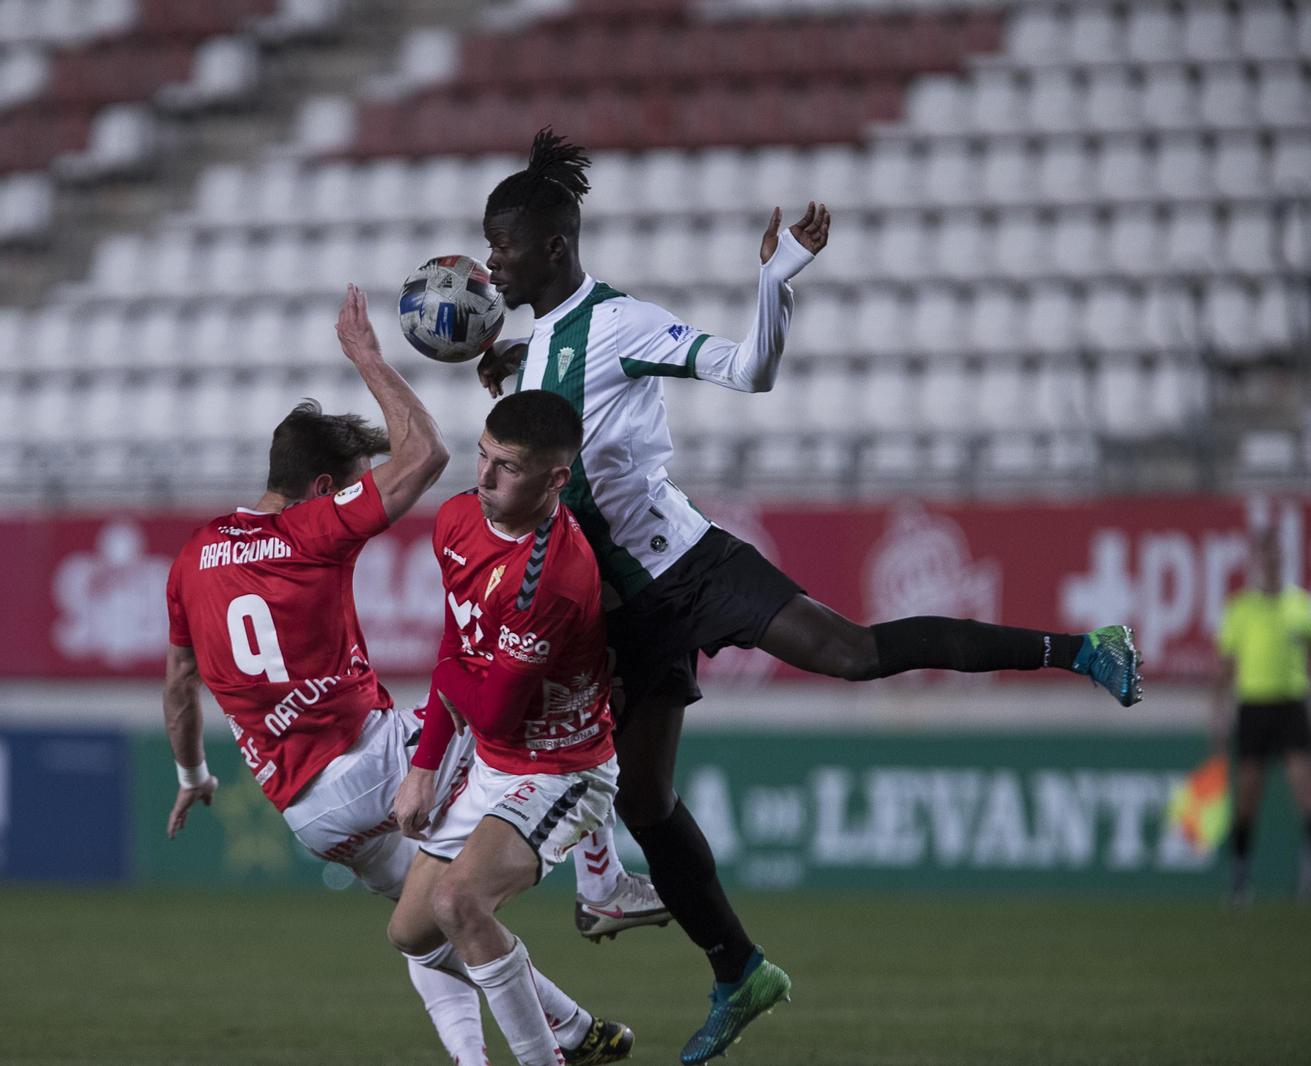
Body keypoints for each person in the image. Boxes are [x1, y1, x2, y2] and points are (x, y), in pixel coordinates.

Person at [472, 129, 1145, 1064]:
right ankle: (739, 970)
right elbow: (556, 424)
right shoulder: (542, 344)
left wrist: (775, 283)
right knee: (649, 797)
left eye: (501, 245)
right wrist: (509, 373)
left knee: (853, 653)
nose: (489, 261)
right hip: (623, 610)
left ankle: (1081, 649)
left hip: (687, 566)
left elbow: (752, 370)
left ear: (552, 246)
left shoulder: (617, 324)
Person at [162, 287, 635, 1065]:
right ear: (324, 491)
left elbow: (180, 684)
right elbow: (429, 457)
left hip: (304, 809)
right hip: (372, 754)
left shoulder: (191, 557)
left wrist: (191, 772)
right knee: (527, 732)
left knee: (426, 926)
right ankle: (603, 881)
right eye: (353, 480)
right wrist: (370, 361)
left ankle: (563, 1035)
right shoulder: (309, 529)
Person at [389, 389, 627, 1066]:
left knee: (461, 902)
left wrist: (457, 676)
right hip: (493, 765)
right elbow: (456, 645)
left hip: (563, 769)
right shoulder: (458, 519)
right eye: (483, 456)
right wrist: (424, 766)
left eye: (509, 467)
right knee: (412, 933)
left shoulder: (555, 574)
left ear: (556, 479)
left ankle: (543, 1057)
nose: (485, 478)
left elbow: (491, 707)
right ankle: (578, 1035)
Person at [1214, 527, 1311, 903]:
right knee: (1248, 795)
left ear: (1283, 559)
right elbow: (1225, 667)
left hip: (1291, 705)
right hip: (1253, 705)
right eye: (1264, 556)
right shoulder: (1240, 608)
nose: (1270, 563)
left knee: (1307, 791)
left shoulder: (1302, 606)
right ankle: (1239, 877)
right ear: (1256, 560)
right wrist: (1218, 712)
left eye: (1275, 556)